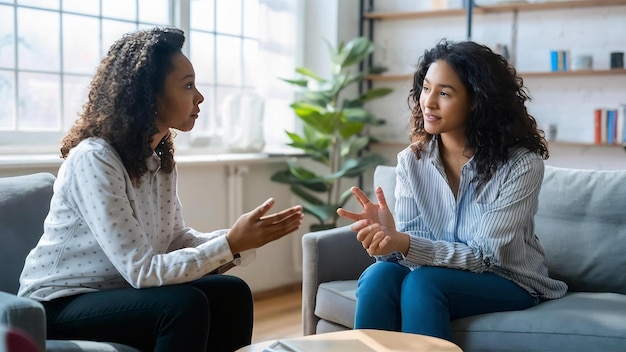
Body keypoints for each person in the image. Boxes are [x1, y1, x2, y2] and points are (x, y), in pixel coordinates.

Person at [18, 27, 303, 352]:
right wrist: (229, 243)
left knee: (231, 291)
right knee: (182, 305)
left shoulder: (158, 160)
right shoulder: (94, 159)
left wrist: (239, 239)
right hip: (58, 306)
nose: (200, 97)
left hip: (117, 293)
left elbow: (174, 241)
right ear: (148, 94)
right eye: (187, 85)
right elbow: (142, 270)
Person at [336, 39, 568, 341]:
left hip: (507, 279)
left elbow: (485, 256)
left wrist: (404, 242)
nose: (428, 102)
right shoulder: (412, 161)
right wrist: (388, 241)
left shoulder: (521, 165)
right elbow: (411, 252)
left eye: (444, 93)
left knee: (423, 283)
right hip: (435, 273)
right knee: (379, 276)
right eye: (426, 88)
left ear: (476, 100)